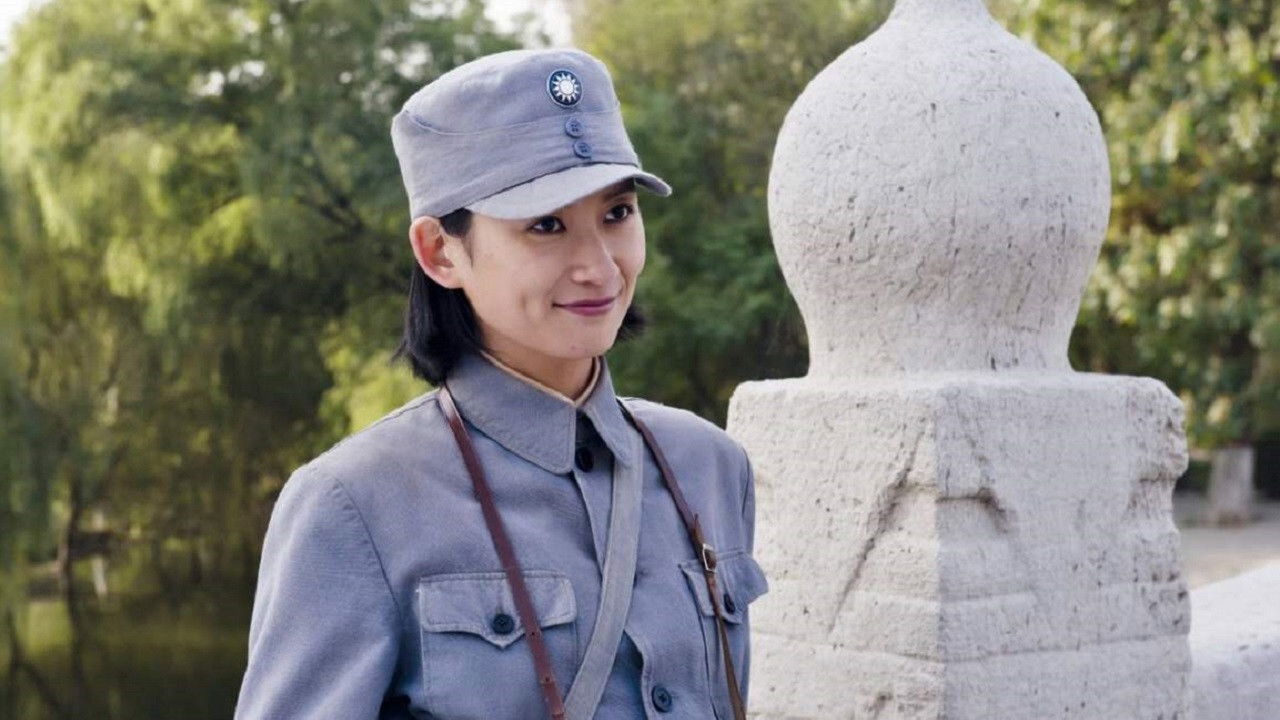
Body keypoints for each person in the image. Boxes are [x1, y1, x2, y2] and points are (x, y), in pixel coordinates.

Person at [233, 47, 767, 720]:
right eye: (546, 225)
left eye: (617, 214)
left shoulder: (710, 466)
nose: (600, 268)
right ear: (440, 252)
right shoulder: (354, 505)